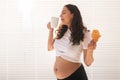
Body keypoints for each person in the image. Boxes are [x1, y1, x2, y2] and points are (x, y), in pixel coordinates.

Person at [47, 4, 97, 80]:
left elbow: (88, 63)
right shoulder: (62, 31)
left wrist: (90, 50)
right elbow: (50, 47)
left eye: (63, 13)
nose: (60, 16)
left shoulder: (84, 33)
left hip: (76, 76)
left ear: (72, 15)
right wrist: (51, 30)